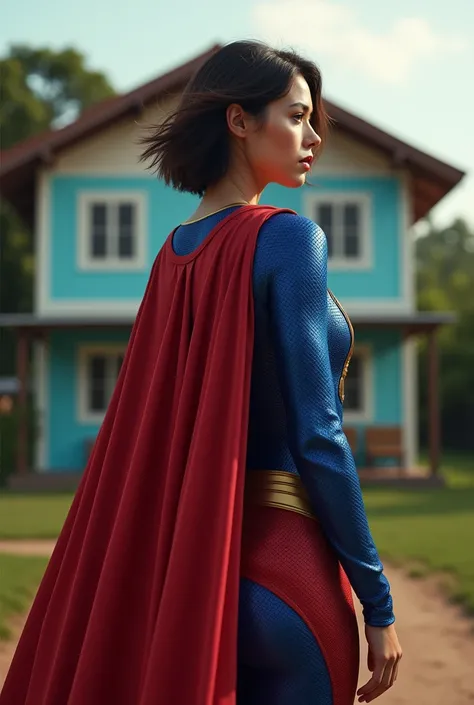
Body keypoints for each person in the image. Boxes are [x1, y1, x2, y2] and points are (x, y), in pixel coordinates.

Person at [0, 41, 402, 705]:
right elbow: (319, 432)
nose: (315, 136)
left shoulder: (174, 255)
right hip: (289, 571)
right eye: (297, 116)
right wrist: (378, 601)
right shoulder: (289, 239)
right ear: (239, 121)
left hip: (196, 581)